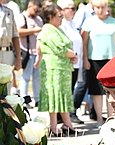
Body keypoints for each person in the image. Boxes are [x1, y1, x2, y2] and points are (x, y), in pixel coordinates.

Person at [35, 3, 77, 136]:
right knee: (54, 95)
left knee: (62, 95)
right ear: (50, 17)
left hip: (61, 67)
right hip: (53, 68)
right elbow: (60, 48)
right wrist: (73, 54)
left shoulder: (57, 28)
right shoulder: (48, 29)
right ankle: (54, 127)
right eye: (59, 16)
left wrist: (71, 56)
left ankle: (67, 124)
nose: (62, 18)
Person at [82, 0, 115, 127]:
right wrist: (85, 59)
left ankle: (111, 118)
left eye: (102, 7)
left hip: (112, 59)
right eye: (97, 7)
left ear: (107, 7)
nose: (100, 10)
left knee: (111, 90)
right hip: (94, 59)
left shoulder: (114, 22)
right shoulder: (89, 22)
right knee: (96, 91)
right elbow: (84, 43)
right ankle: (99, 118)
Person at [58, 0, 84, 124]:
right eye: (70, 8)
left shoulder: (73, 23)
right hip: (66, 62)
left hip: (76, 61)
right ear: (62, 10)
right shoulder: (61, 25)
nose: (72, 10)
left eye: (74, 8)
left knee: (71, 88)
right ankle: (65, 116)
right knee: (66, 90)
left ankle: (68, 115)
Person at [17, 0, 43, 108]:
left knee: (37, 77)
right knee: (25, 77)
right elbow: (18, 32)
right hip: (26, 51)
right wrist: (33, 30)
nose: (37, 13)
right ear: (30, 6)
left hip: (37, 52)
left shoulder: (39, 19)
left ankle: (37, 99)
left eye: (38, 11)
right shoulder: (21, 17)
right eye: (35, 10)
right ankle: (24, 99)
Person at [0, 0, 22, 94]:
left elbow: (15, 36)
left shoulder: (8, 11)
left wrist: (18, 58)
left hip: (7, 52)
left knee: (6, 88)